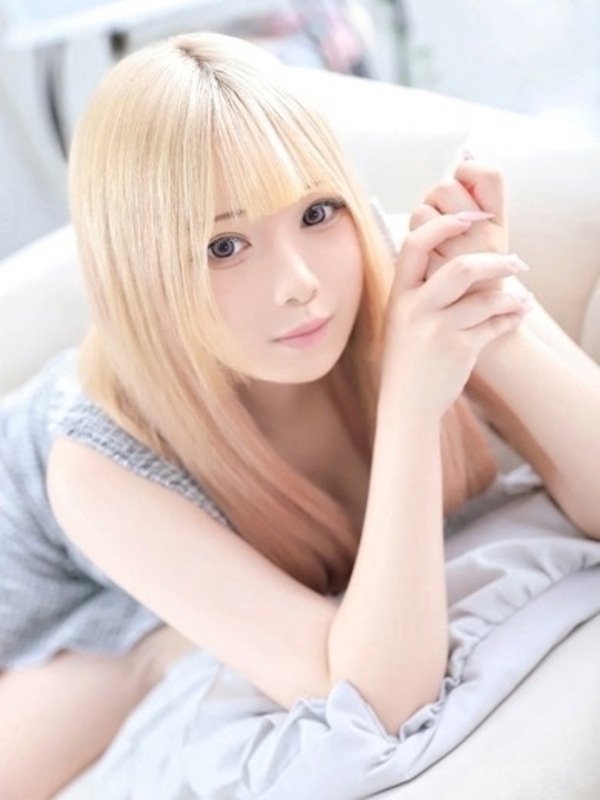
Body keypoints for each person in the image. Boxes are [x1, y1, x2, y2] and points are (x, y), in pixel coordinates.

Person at [0, 31, 598, 800]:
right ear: (139, 270)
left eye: (316, 210)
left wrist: (493, 314)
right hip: (46, 592)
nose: (299, 283)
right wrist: (412, 404)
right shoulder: (97, 458)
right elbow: (375, 701)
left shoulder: (398, 270)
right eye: (223, 246)